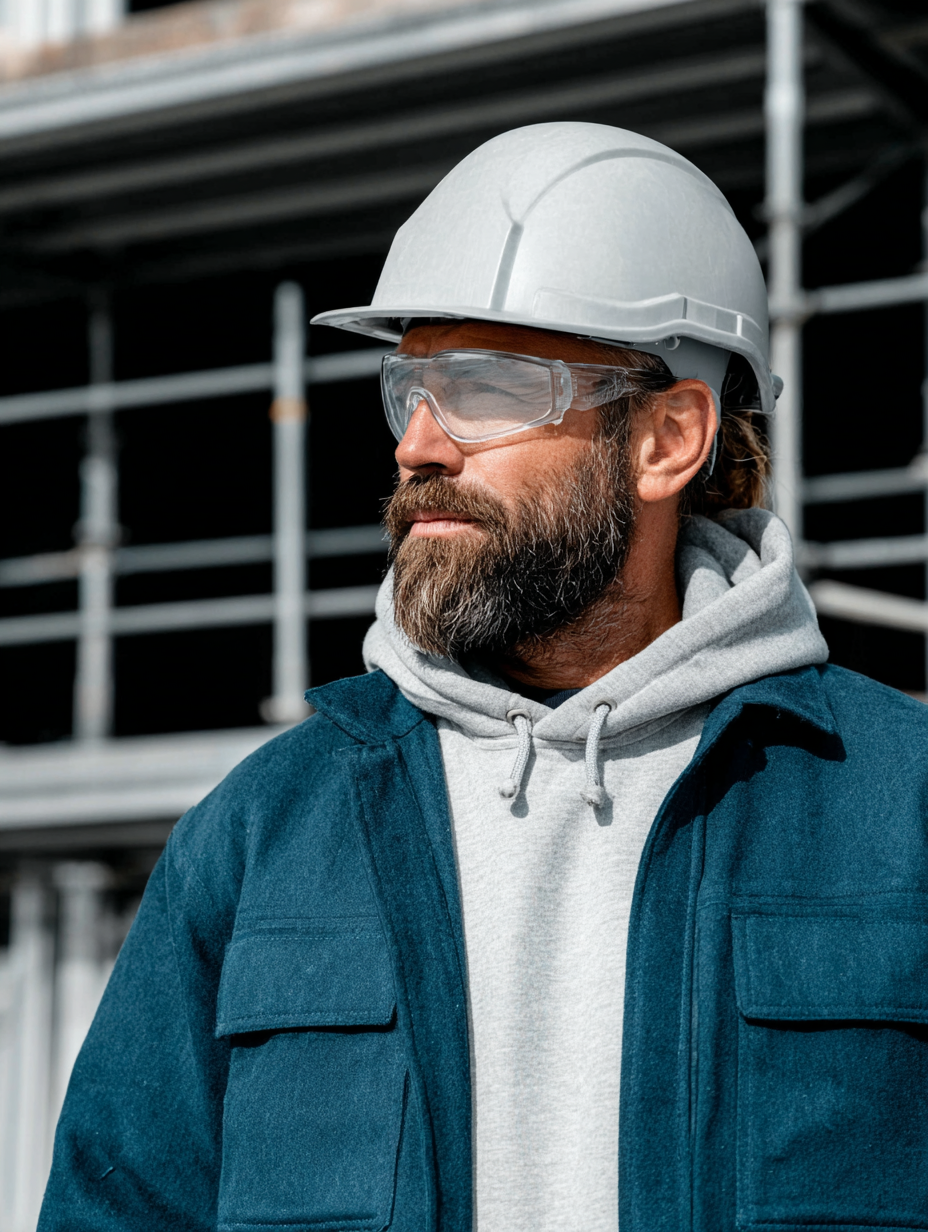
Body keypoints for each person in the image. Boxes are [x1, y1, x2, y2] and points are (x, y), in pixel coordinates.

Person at [40, 123, 927, 1232]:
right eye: (405, 384)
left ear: (667, 438)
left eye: (486, 386)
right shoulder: (263, 831)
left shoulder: (902, 809)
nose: (418, 442)